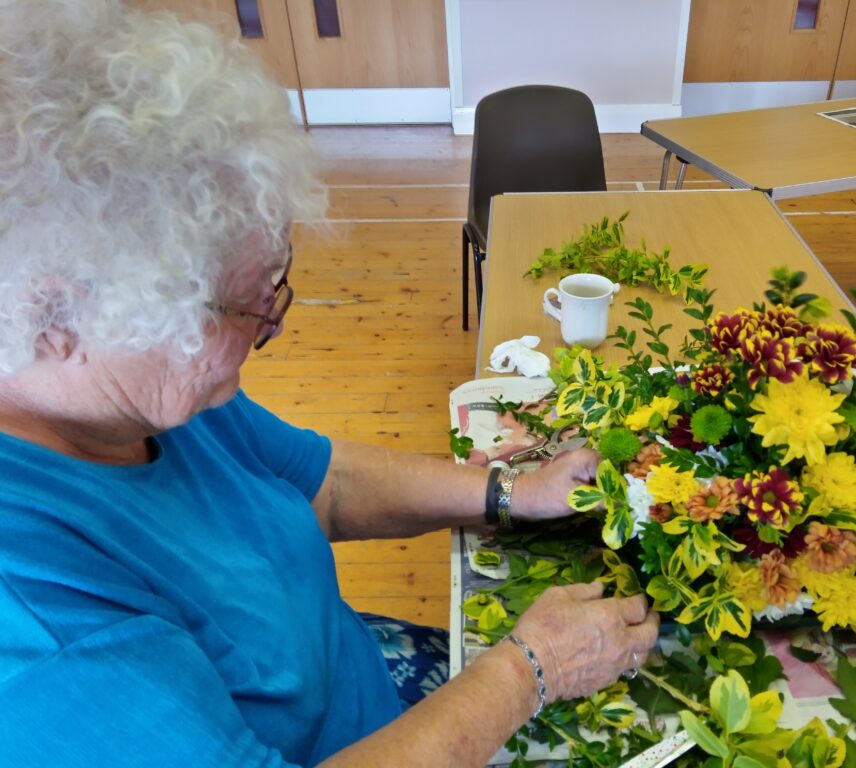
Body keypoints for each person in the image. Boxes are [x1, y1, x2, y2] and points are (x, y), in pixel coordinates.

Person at [0, 2, 660, 766]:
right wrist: (528, 671)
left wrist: (511, 493)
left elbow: (325, 484)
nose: (271, 325)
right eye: (242, 303)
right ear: (57, 320)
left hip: (366, 677)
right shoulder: (38, 625)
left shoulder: (145, 395)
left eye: (272, 284)